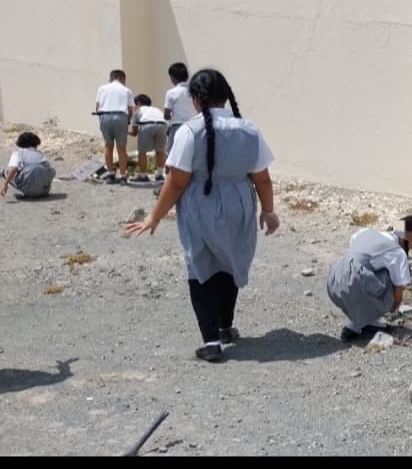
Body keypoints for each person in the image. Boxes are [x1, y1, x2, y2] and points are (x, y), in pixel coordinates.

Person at [125, 68, 279, 363]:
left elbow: (177, 182)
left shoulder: (189, 132)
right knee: (230, 260)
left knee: (201, 265)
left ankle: (211, 341)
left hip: (201, 204)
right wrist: (268, 211)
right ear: (226, 97)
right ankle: (225, 326)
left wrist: (154, 217)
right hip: (240, 202)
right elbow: (262, 178)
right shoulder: (249, 129)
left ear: (195, 99)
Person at [328, 218, 412, 342]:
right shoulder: (397, 252)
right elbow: (399, 292)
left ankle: (366, 320)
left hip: (335, 281)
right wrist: (391, 309)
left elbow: (355, 254)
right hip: (354, 285)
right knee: (393, 278)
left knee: (371, 270)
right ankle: (366, 320)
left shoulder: (365, 232)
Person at [94, 69, 134, 184]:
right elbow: (130, 109)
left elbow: (97, 107)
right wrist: (128, 120)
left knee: (108, 146)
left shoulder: (101, 89)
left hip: (105, 116)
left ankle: (110, 174)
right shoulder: (126, 90)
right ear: (123, 79)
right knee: (121, 148)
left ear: (110, 78)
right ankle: (122, 175)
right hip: (120, 116)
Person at [2, 132, 56, 199]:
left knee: (7, 171)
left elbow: (14, 169)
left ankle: (2, 173)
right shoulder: (39, 154)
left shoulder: (18, 152)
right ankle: (39, 191)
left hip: (28, 185)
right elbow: (52, 172)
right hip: (43, 191)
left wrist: (5, 184)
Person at [128, 94, 168, 183]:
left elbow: (134, 132)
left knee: (142, 152)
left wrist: (125, 131)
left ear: (138, 103)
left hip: (147, 124)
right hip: (163, 125)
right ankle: (160, 175)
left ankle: (143, 176)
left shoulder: (138, 111)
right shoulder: (156, 109)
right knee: (160, 151)